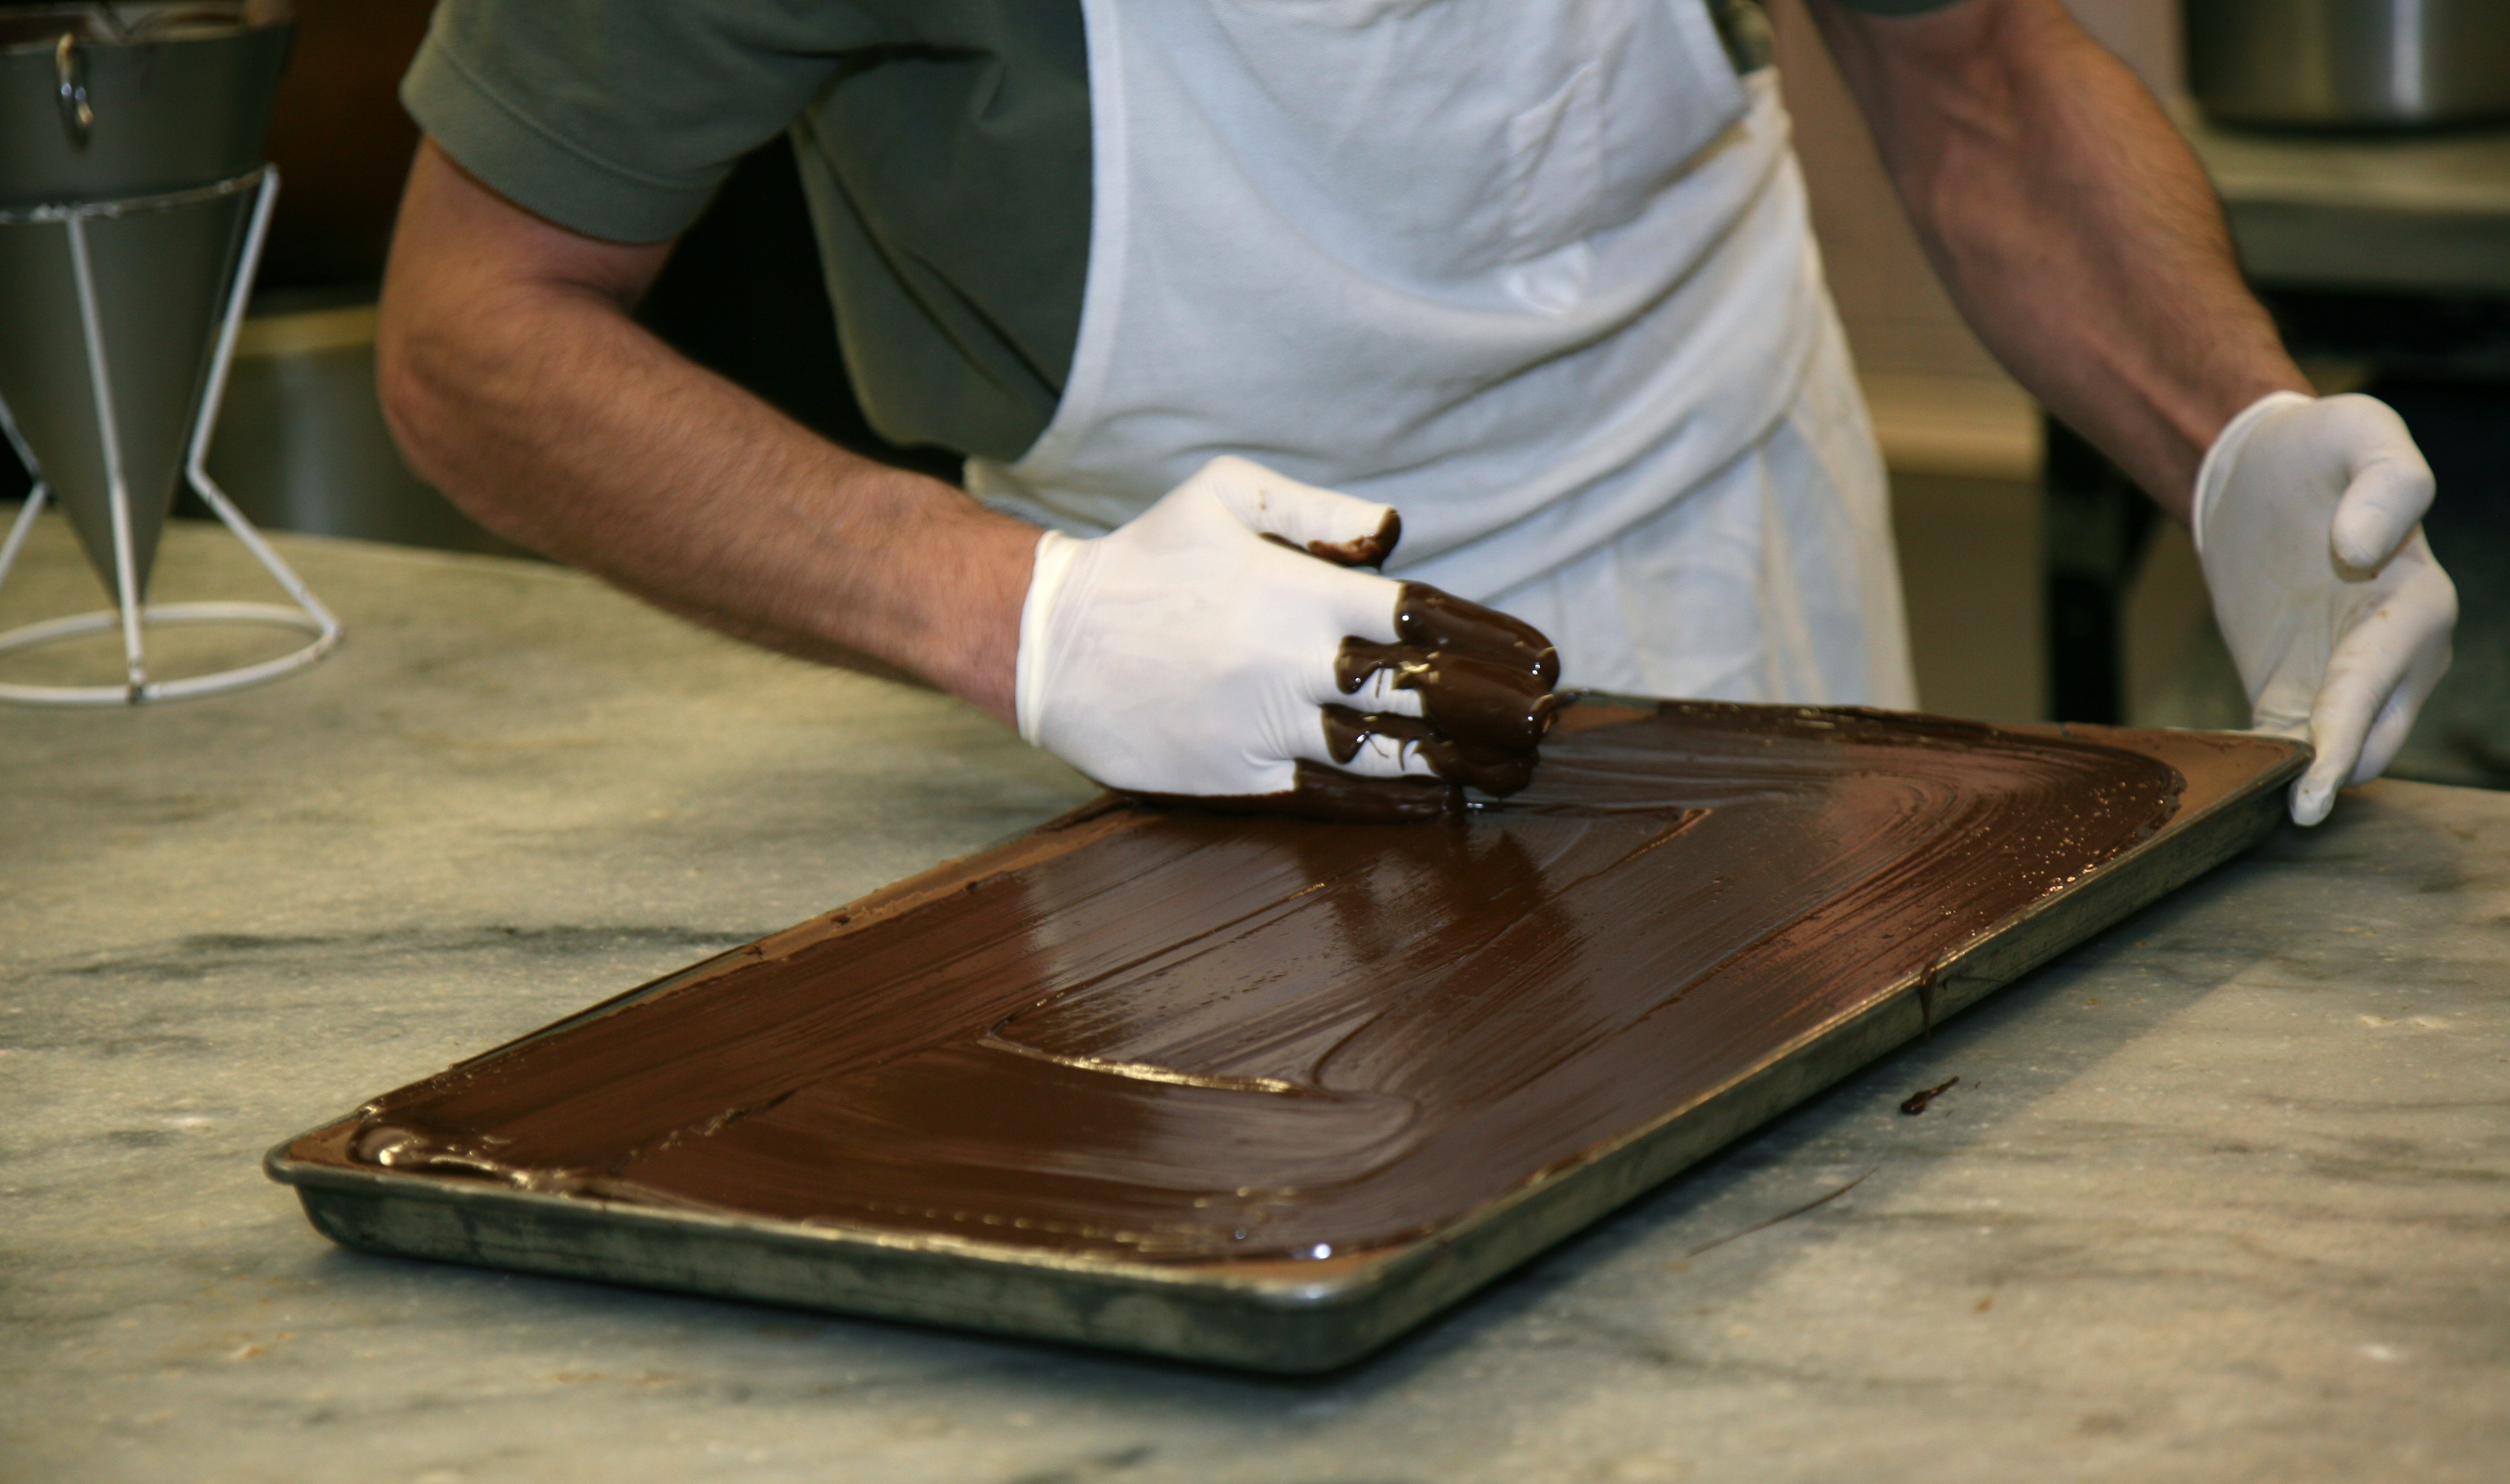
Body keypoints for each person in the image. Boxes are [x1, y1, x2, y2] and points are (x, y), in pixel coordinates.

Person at [375, 0, 2455, 826]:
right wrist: (1027, 621)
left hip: (1738, 531)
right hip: (1179, 665)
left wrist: (2238, 434)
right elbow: (480, 330)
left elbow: (1972, 64)